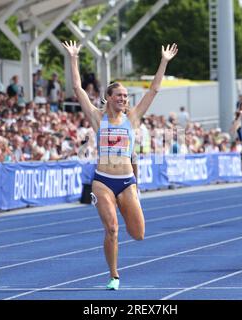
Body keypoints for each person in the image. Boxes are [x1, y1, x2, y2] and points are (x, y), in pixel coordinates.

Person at [63, 40, 178, 290]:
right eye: (119, 95)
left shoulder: (133, 118)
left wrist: (164, 62)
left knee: (138, 234)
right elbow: (77, 87)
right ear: (108, 98)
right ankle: (114, 275)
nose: (124, 99)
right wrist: (73, 58)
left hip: (127, 182)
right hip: (103, 180)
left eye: (126, 96)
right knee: (112, 229)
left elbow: (154, 90)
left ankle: (127, 211)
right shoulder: (97, 117)